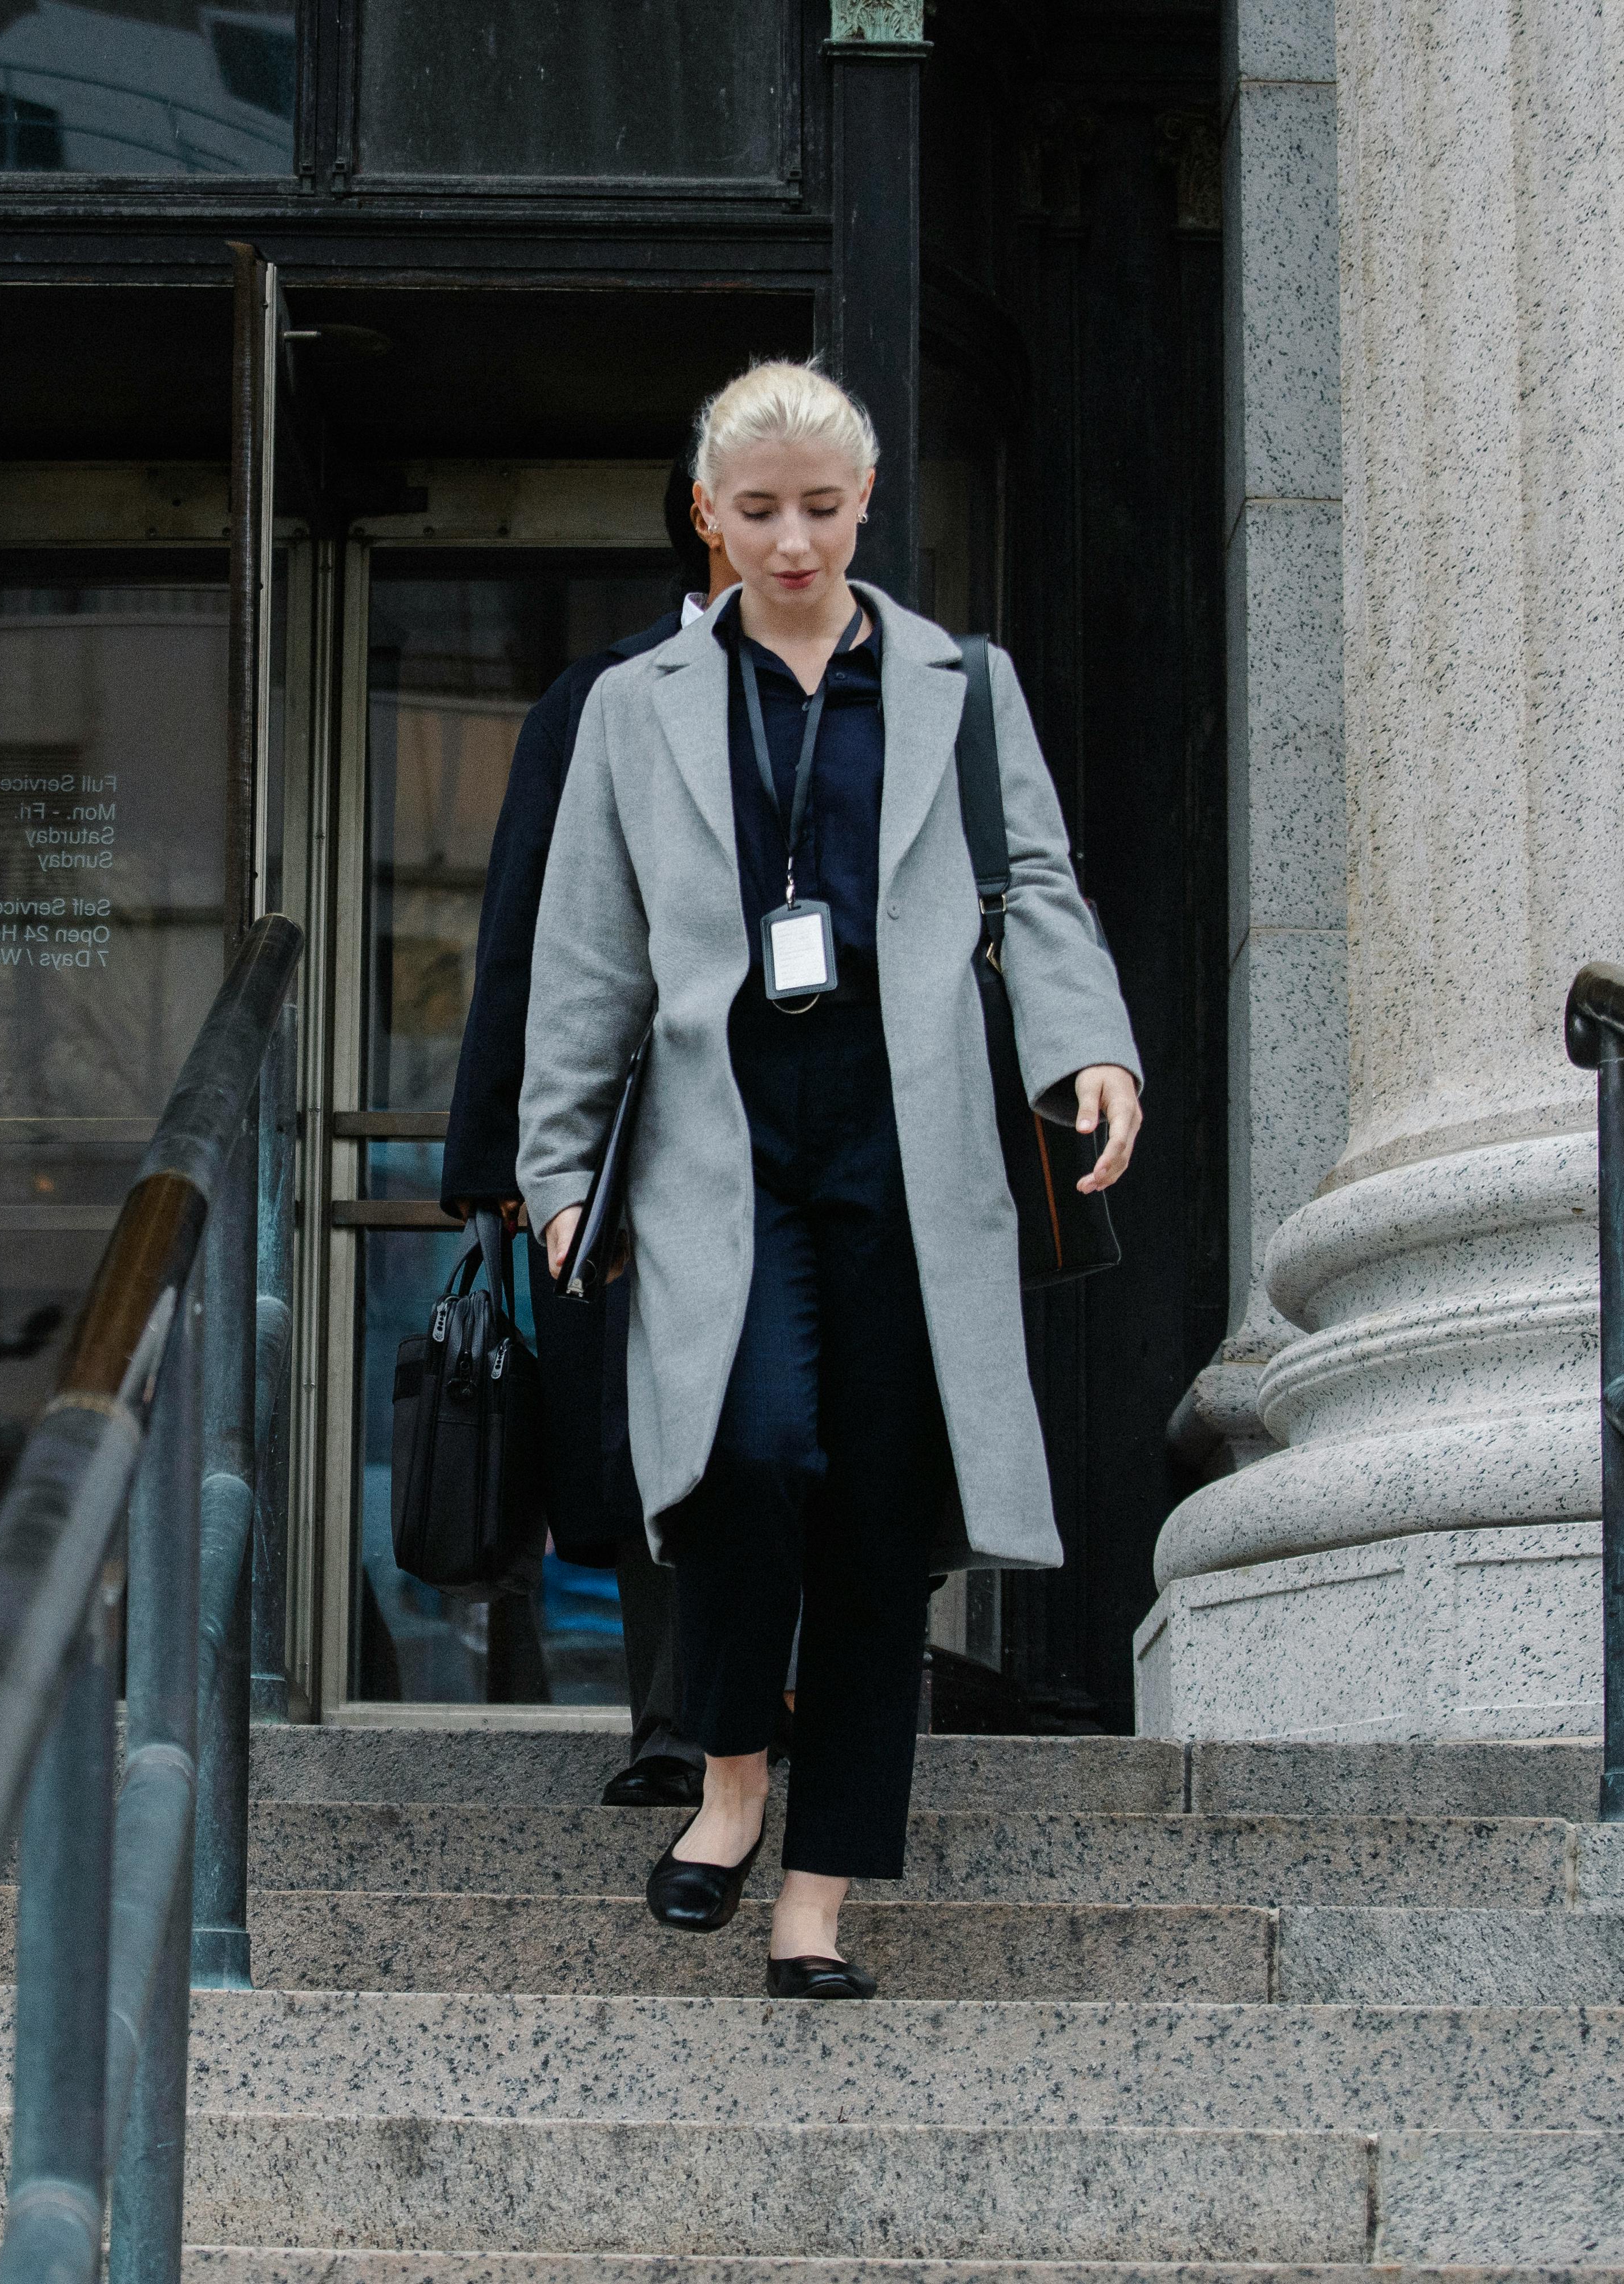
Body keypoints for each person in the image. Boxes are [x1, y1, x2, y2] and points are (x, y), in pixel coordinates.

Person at [519, 360, 1141, 1997]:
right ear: (710, 519)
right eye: (756, 510)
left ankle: (816, 1900)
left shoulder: (958, 685)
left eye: (820, 506)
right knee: (745, 1454)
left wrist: (1091, 1046)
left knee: (878, 1518)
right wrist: (557, 1165)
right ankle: (731, 1770)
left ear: (864, 506)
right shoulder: (636, 706)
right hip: (722, 1140)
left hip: (909, 1136)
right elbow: (586, 955)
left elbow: (1037, 884)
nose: (790, 540)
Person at [441, 453, 736, 1805]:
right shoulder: (601, 700)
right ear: (702, 508)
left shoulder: (863, 692)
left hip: (809, 1124)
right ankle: (676, 1718)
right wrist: (497, 1159)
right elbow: (528, 934)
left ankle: (778, 1688)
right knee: (641, 1421)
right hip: (642, 1130)